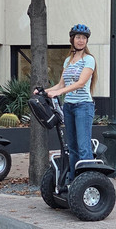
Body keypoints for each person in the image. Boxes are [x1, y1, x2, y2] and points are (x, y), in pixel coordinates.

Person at [46, 24, 97, 167]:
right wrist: (45, 91)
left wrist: (60, 92)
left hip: (83, 106)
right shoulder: (68, 60)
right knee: (72, 148)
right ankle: (73, 178)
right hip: (68, 107)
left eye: (84, 38)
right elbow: (60, 84)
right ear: (72, 39)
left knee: (83, 147)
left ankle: (86, 178)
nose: (81, 40)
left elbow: (80, 83)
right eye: (78, 37)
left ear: (86, 41)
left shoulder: (89, 59)